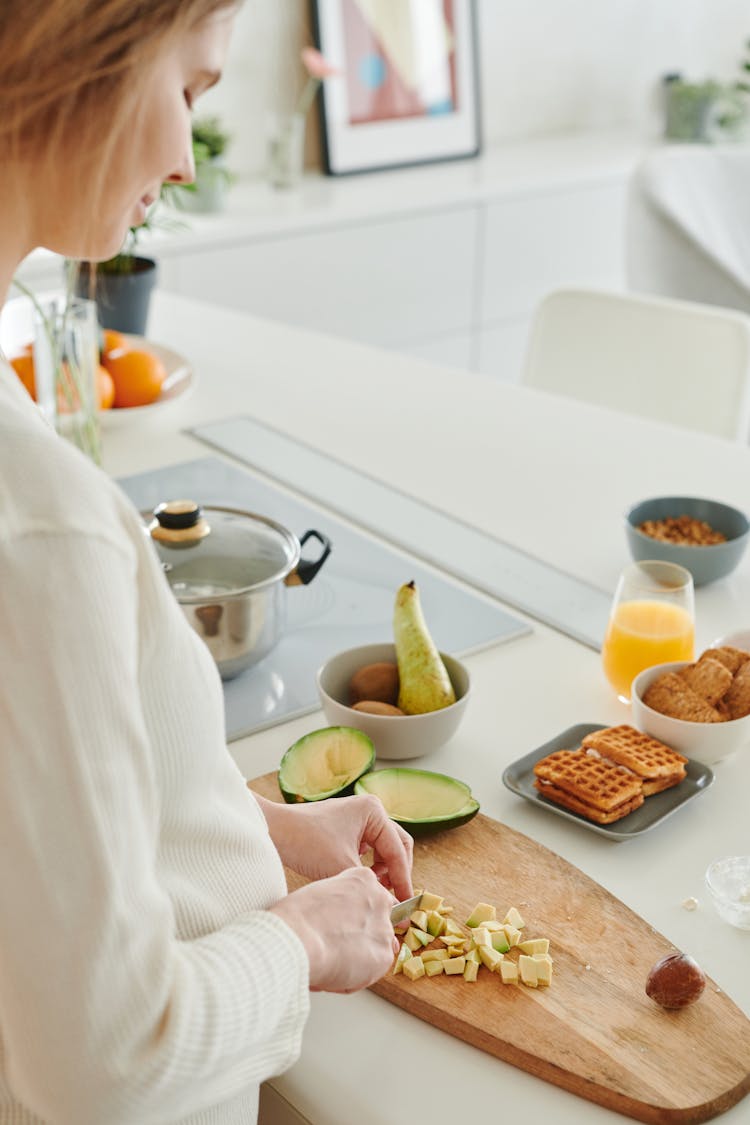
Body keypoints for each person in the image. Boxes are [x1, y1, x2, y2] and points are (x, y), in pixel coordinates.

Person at [0, 3, 413, 1123]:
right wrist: (304, 938)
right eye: (188, 91)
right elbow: (104, 1062)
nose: (185, 158)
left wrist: (245, 836)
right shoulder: (42, 524)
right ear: (86, 54)